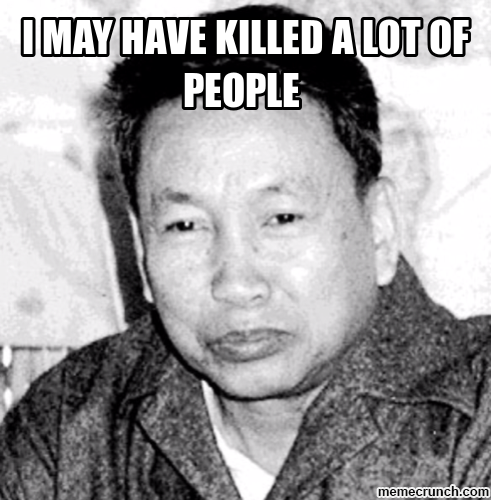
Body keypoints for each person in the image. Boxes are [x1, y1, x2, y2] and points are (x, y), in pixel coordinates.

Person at [1, 4, 491, 499]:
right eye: (185, 226)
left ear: (380, 227)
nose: (236, 284)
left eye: (282, 219)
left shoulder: (477, 414)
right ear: (142, 247)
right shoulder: (67, 430)